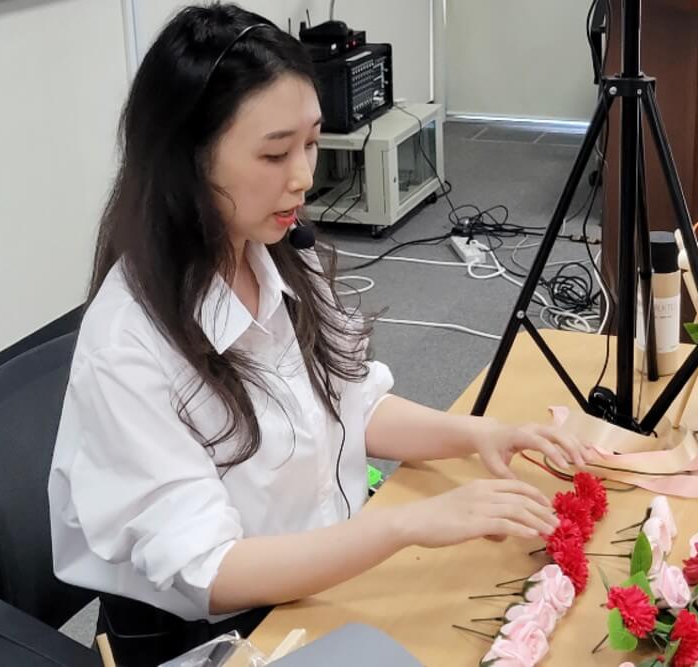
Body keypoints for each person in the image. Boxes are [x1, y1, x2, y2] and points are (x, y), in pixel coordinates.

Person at [47, 4, 593, 664]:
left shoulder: (278, 250)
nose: (304, 176)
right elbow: (211, 571)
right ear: (187, 160)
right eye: (275, 153)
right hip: (222, 635)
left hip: (316, 580)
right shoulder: (129, 344)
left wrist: (479, 434)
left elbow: (351, 400)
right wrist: (404, 525)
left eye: (311, 142)